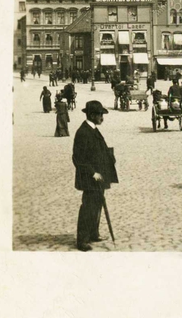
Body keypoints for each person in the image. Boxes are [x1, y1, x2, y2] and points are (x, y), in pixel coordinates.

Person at [72, 101, 119, 251]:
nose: (102, 117)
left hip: (99, 176)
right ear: (92, 115)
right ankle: (82, 240)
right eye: (100, 115)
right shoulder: (83, 132)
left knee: (97, 205)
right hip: (90, 178)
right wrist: (93, 173)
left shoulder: (93, 129)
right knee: (88, 208)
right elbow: (78, 158)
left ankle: (93, 233)